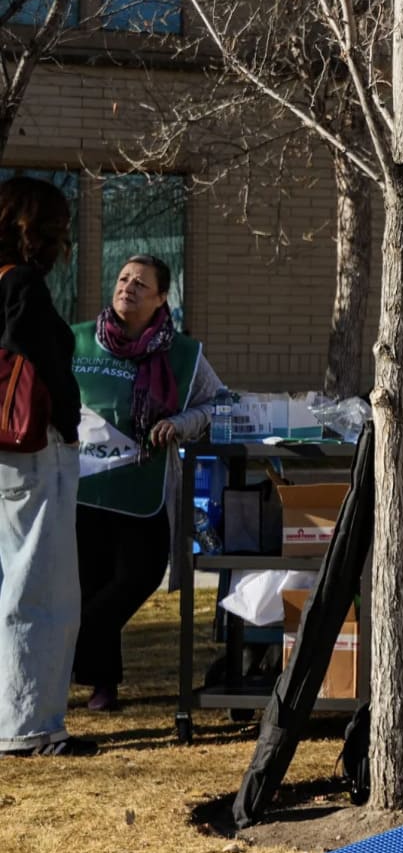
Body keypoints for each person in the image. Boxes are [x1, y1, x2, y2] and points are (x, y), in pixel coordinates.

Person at [71, 255, 224, 712]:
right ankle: (104, 685)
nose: (127, 288)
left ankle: (74, 641)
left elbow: (219, 403)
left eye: (140, 283)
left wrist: (181, 422)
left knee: (138, 575)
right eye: (122, 279)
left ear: (161, 298)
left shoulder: (182, 354)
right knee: (92, 581)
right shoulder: (77, 341)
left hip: (146, 487)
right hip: (83, 487)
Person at [0, 177, 95, 757]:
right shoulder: (24, 288)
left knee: (11, 581)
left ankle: (14, 718)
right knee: (43, 588)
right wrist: (70, 415)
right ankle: (30, 726)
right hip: (34, 450)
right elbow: (42, 367)